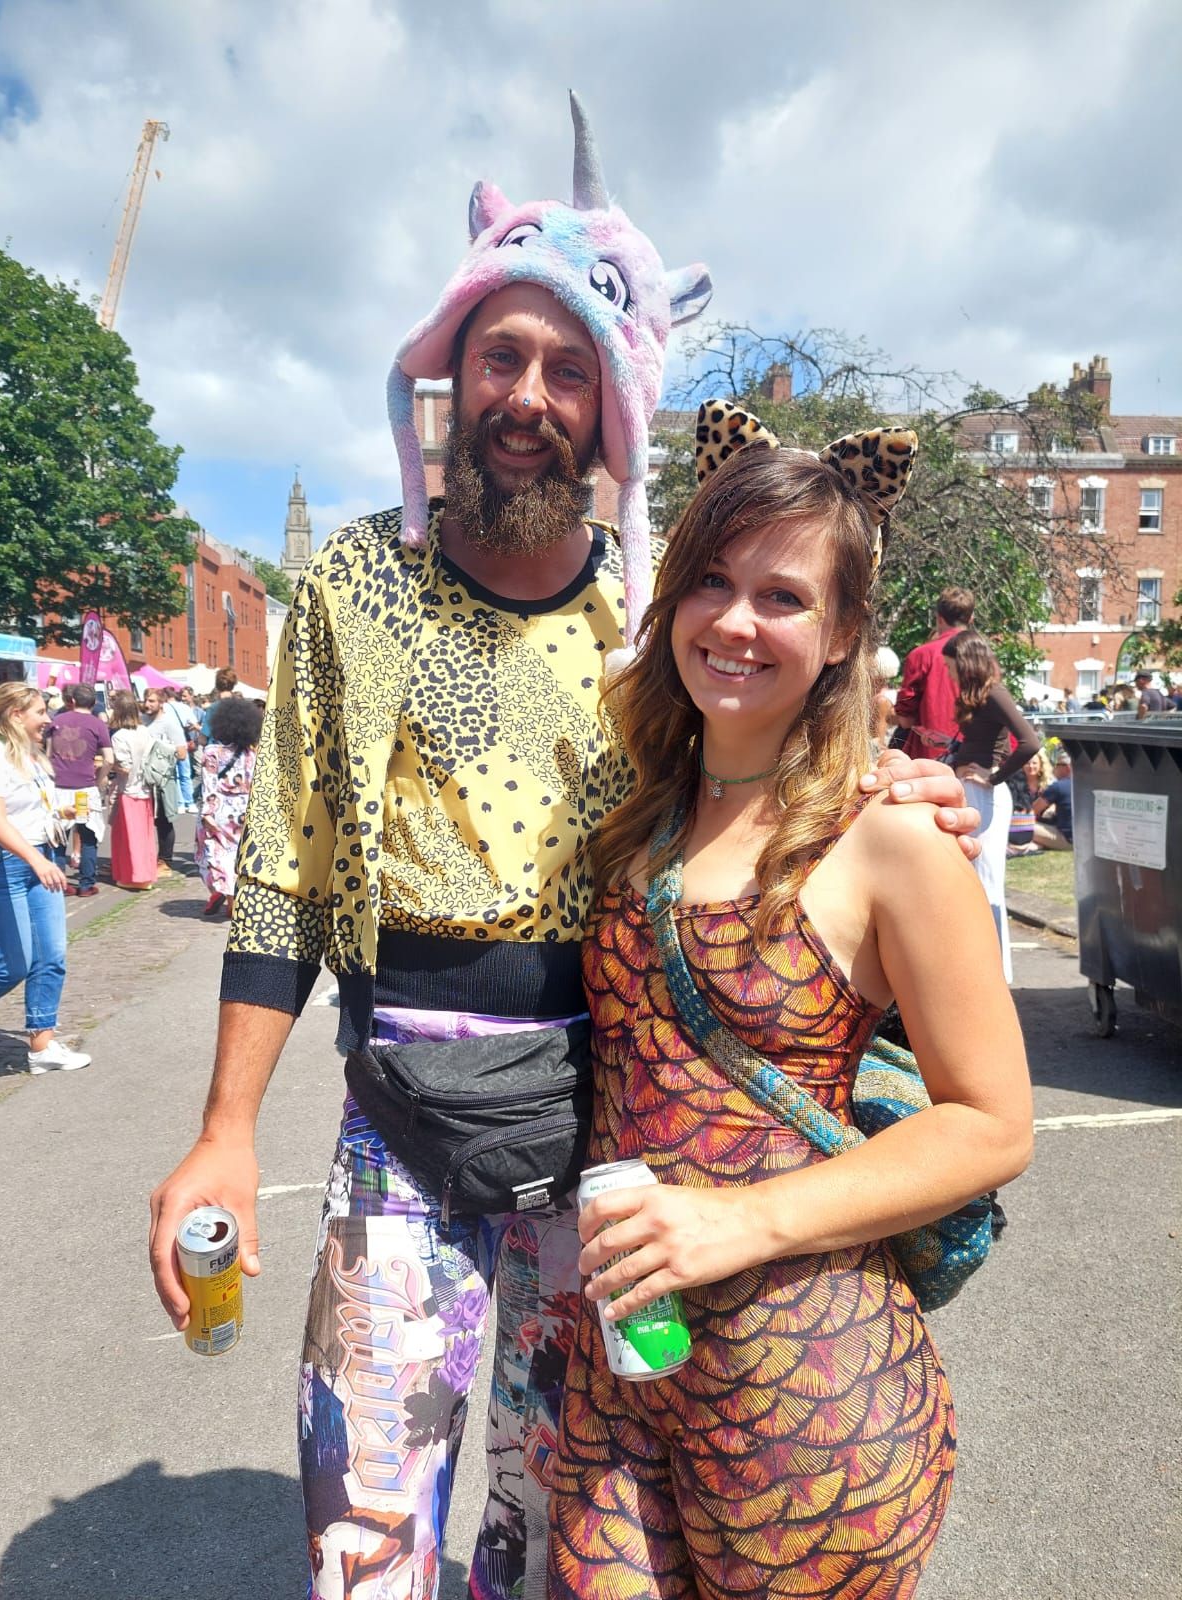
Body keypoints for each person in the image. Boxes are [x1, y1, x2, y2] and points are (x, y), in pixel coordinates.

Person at [147, 95, 981, 1600]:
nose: (529, 391)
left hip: (602, 1151)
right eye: (499, 355)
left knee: (558, 1541)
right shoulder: (353, 586)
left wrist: (900, 782)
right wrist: (222, 1127)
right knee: (367, 1523)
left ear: (615, 407)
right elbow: (283, 867)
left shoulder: (647, 618)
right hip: (393, 1125)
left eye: (568, 366)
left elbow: (772, 738)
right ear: (447, 380)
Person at [548, 411, 1032, 1599]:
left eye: (783, 596)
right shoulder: (636, 813)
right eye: (711, 581)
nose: (735, 621)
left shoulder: (892, 835)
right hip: (621, 1362)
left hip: (809, 1402)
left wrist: (742, 1222)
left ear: (843, 633)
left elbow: (992, 1123)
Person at [0, 684, 91, 1073]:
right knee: (11, 965)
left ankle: (42, 1047)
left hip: (40, 857)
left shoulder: (29, 753)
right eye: (40, 711)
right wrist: (35, 858)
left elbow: (30, 807)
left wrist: (59, 825)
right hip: (1, 865)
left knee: (51, 956)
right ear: (15, 715)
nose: (49, 719)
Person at [943, 630, 1041, 981]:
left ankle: (993, 974)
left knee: (984, 883)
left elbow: (1030, 742)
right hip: (976, 790)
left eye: (951, 666)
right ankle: (989, 971)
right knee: (978, 881)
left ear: (966, 663)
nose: (950, 674)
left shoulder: (994, 694)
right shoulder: (983, 696)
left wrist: (994, 777)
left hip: (984, 793)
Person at [195, 696, 262, 918]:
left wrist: (207, 813)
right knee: (239, 855)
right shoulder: (252, 755)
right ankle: (238, 900)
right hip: (243, 810)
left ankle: (228, 897)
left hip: (221, 808)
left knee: (218, 855)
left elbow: (209, 786)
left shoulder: (212, 753)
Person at [47, 682, 113, 898]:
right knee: (87, 836)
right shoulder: (97, 724)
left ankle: (60, 882)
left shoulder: (56, 721)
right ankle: (86, 884)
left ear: (72, 701)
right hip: (84, 789)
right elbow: (109, 759)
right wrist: (99, 779)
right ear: (94, 702)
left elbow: (47, 755)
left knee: (59, 837)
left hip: (59, 788)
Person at [894, 585, 974, 758]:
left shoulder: (921, 654)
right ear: (971, 618)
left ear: (939, 619)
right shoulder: (986, 657)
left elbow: (905, 717)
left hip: (929, 755)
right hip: (973, 759)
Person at [107, 692, 160, 891]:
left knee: (129, 836)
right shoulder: (144, 731)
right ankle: (145, 874)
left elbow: (125, 767)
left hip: (128, 789)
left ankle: (133, 876)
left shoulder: (120, 736)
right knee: (144, 836)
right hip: (145, 788)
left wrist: (111, 767)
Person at [141, 688, 186, 877]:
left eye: (152, 701)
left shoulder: (169, 724)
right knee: (146, 819)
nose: (147, 704)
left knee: (164, 820)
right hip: (145, 778)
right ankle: (146, 857)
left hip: (164, 778)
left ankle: (165, 859)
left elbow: (182, 753)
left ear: (161, 703)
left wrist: (159, 749)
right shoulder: (142, 722)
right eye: (146, 700)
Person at [1032, 752, 1074, 850]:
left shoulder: (1058, 786)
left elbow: (1032, 811)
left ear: (1067, 767)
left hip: (1067, 841)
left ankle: (1030, 846)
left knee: (1019, 825)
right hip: (1086, 840)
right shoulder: (1086, 785)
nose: (1054, 769)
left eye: (1057, 765)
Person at [199, 667, 238, 742]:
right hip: (237, 751)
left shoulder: (213, 708)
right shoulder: (243, 708)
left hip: (217, 750)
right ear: (233, 684)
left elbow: (203, 740)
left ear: (217, 685)